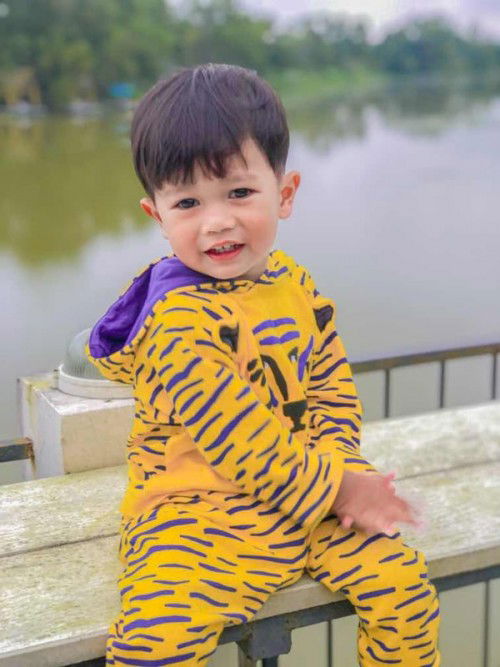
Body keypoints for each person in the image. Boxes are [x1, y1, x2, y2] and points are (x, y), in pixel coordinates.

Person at [87, 63, 440, 666]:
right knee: (157, 642)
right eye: (188, 202)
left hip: (312, 496)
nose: (217, 221)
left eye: (239, 193)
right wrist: (342, 489)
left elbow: (330, 388)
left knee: (403, 589)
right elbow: (238, 439)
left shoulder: (294, 284)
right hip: (196, 515)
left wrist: (342, 467)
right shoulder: (177, 319)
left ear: (285, 193)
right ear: (158, 216)